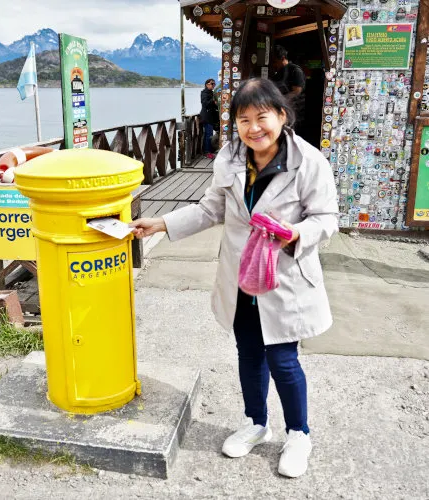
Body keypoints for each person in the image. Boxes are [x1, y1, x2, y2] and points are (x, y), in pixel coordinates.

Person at [130, 78, 338, 478]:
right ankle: (256, 424)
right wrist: (160, 223)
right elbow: (211, 210)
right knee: (249, 352)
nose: (254, 128)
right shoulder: (229, 159)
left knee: (283, 358)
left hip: (284, 276)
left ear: (281, 115)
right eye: (244, 119)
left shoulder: (308, 161)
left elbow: (327, 219)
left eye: (262, 117)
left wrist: (296, 234)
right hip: (241, 277)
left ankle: (299, 434)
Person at [271, 45, 306, 137]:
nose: (274, 65)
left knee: (290, 135)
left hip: (293, 110)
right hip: (281, 109)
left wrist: (280, 99)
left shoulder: (295, 70)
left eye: (275, 61)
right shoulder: (278, 72)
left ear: (282, 58)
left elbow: (297, 91)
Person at [200, 78, 220, 159]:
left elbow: (215, 104)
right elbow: (205, 104)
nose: (213, 85)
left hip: (213, 117)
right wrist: (214, 101)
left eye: (214, 84)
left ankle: (211, 150)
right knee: (208, 135)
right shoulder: (204, 93)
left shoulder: (212, 93)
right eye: (212, 84)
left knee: (214, 133)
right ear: (207, 84)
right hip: (207, 117)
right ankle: (207, 152)